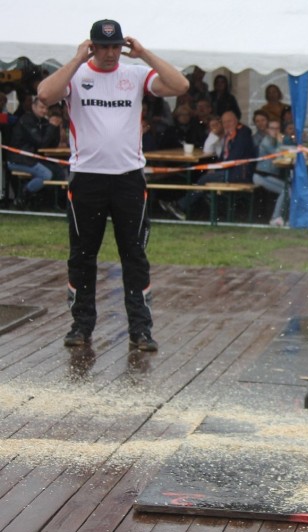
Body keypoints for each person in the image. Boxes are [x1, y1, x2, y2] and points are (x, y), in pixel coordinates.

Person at [37, 18, 189, 351]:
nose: (110, 54)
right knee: (82, 256)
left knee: (134, 255)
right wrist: (78, 59)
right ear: (92, 46)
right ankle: (81, 325)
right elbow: (45, 94)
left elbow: (180, 86)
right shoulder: (77, 76)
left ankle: (141, 329)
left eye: (115, 47)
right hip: (87, 178)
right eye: (103, 47)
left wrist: (144, 54)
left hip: (128, 179)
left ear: (123, 47)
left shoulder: (134, 75)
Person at [162, 110, 254, 221]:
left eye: (229, 121)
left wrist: (216, 169)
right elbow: (222, 157)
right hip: (229, 171)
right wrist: (215, 168)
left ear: (236, 121)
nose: (226, 125)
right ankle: (182, 206)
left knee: (205, 178)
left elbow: (234, 157)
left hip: (238, 174)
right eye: (224, 122)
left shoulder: (243, 133)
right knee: (205, 177)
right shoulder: (228, 135)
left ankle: (180, 206)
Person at [6, 97, 63, 204]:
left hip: (32, 158)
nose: (44, 111)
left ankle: (52, 203)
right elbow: (40, 142)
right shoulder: (26, 120)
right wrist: (51, 127)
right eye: (41, 107)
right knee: (46, 174)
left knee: (58, 171)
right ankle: (23, 195)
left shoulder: (43, 121)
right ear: (33, 107)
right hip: (18, 159)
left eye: (46, 108)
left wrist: (56, 128)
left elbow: (52, 144)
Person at [252, 119, 290, 227]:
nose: (275, 131)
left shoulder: (276, 140)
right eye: (273, 128)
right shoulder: (267, 141)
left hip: (270, 176)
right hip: (261, 175)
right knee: (286, 190)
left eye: (278, 128)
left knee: (289, 190)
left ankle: (285, 216)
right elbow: (278, 154)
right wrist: (280, 141)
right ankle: (275, 217)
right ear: (268, 130)